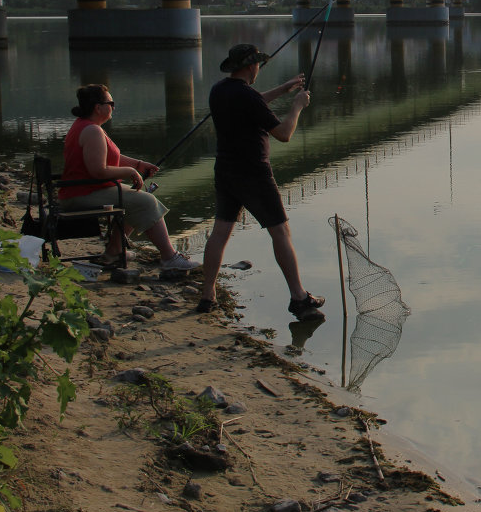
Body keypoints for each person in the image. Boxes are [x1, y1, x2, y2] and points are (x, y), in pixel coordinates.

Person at [196, 43, 325, 317]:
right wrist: (297, 106)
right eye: (257, 65)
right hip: (253, 172)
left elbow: (252, 101)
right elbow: (283, 134)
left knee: (220, 232)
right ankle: (299, 297)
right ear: (250, 65)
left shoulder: (220, 90)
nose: (258, 69)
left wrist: (283, 88)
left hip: (226, 170)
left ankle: (208, 295)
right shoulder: (247, 96)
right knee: (280, 232)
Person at [61, 84, 200, 270]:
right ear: (98, 107)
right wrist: (130, 172)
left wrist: (138, 165)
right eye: (111, 102)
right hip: (81, 195)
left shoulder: (87, 127)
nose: (113, 106)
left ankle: (114, 252)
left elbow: (111, 157)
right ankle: (169, 257)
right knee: (146, 201)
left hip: (83, 190)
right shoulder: (92, 131)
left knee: (134, 197)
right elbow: (98, 171)